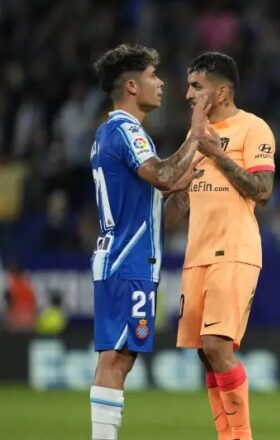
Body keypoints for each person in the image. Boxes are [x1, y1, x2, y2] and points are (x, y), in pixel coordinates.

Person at [89, 43, 215, 440]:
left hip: (128, 256)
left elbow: (163, 195)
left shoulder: (117, 132)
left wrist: (195, 182)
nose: (160, 84)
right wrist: (195, 135)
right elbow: (162, 175)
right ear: (131, 85)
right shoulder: (125, 130)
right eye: (152, 76)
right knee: (117, 358)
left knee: (119, 357)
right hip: (128, 259)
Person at [171, 52, 276, 440]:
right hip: (196, 254)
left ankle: (242, 437)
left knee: (217, 345)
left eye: (196, 86)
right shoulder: (194, 135)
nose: (187, 94)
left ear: (223, 91)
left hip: (235, 249)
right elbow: (181, 200)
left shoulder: (254, 128)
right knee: (205, 352)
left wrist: (217, 154)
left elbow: (262, 191)